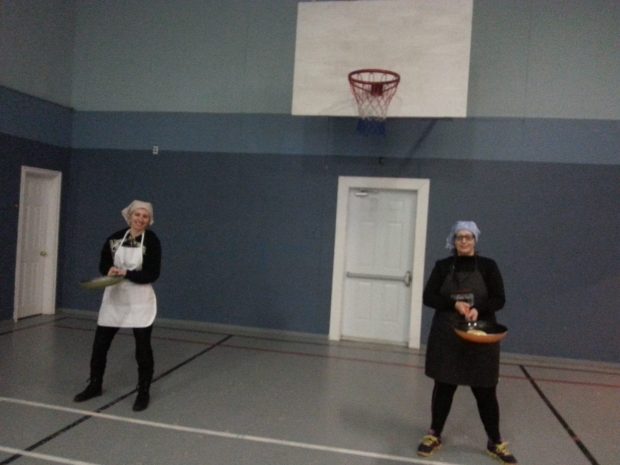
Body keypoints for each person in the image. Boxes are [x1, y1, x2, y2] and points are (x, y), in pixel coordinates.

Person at [416, 221, 517, 464]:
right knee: (444, 387)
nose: (463, 241)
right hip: (447, 336)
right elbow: (428, 296)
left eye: (468, 237)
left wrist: (477, 309)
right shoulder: (442, 267)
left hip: (480, 336)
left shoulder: (488, 266)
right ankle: (434, 435)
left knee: (485, 390)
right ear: (453, 240)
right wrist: (455, 304)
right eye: (459, 237)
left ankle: (495, 442)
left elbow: (499, 299)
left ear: (475, 240)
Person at [74, 200, 161, 412]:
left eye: (145, 216)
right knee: (100, 345)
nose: (140, 219)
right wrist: (110, 270)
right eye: (137, 215)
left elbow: (152, 273)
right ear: (129, 216)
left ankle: (143, 391)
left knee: (142, 348)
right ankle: (95, 384)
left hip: (140, 299)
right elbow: (104, 263)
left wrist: (127, 273)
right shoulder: (115, 238)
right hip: (114, 298)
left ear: (149, 220)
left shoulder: (152, 241)